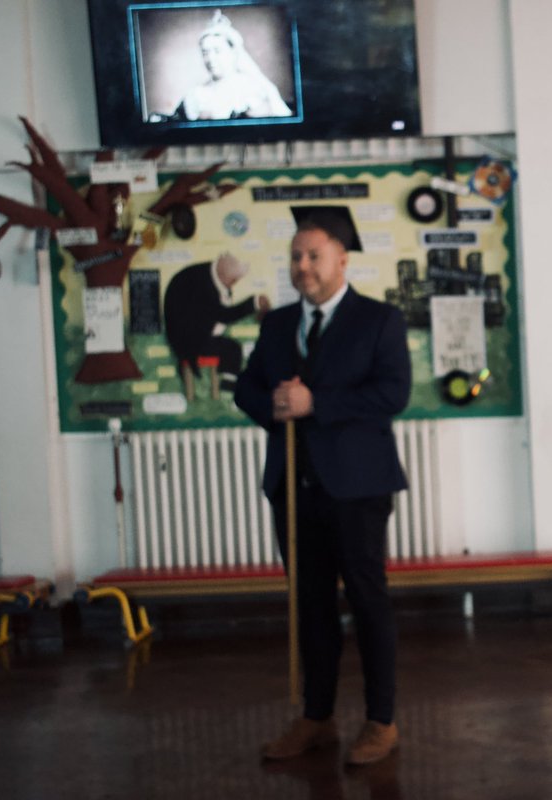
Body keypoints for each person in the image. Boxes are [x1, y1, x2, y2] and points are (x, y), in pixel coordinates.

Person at [234, 210, 411, 766]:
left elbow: (393, 394)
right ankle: (316, 718)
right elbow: (246, 389)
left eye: (314, 256)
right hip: (293, 488)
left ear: (342, 260)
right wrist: (273, 405)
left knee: (367, 602)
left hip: (358, 488)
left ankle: (381, 721)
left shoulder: (379, 320)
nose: (303, 266)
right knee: (309, 606)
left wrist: (317, 403)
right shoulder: (277, 325)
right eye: (296, 256)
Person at [163, 252, 270, 394]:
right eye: (233, 280)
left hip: (194, 332)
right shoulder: (204, 286)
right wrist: (253, 303)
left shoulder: (207, 275)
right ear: (222, 276)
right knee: (232, 349)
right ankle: (228, 387)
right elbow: (224, 315)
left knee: (231, 349)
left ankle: (228, 384)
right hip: (189, 341)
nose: (235, 283)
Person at [173, 9, 292, 121]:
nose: (210, 58)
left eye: (217, 51)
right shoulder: (195, 94)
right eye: (205, 52)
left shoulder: (253, 88)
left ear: (233, 53)